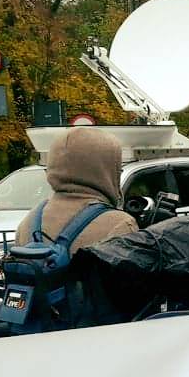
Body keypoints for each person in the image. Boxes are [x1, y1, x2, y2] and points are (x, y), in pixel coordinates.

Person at [11, 128, 140, 327]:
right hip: (99, 342)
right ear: (105, 170)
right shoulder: (119, 223)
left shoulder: (29, 221)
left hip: (39, 341)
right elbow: (133, 298)